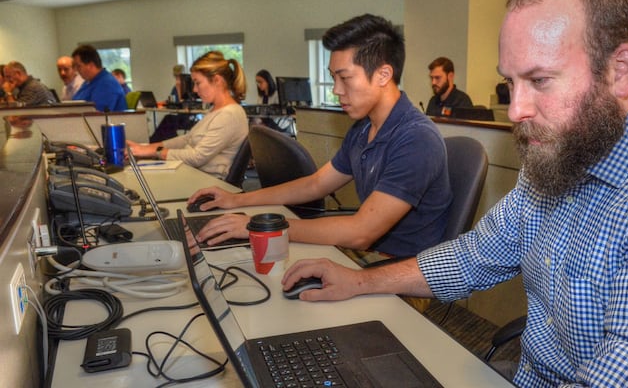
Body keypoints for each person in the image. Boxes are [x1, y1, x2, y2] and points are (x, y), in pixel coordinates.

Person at [280, 0, 628, 387]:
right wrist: (360, 281)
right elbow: (473, 257)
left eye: (539, 80)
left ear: (621, 69)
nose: (516, 109)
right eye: (509, 83)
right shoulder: (563, 153)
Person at [189, 14, 452, 260]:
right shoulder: (363, 127)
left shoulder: (416, 139)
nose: (337, 90)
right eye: (333, 77)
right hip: (366, 256)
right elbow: (315, 184)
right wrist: (236, 199)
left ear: (383, 75)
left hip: (402, 271)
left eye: (345, 78)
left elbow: (360, 233)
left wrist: (257, 225)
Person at [127, 51, 248, 179]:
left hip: (206, 181)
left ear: (217, 80)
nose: (195, 90)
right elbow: (187, 139)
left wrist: (153, 151)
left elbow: (197, 157)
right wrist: (146, 147)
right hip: (195, 175)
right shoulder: (216, 109)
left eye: (198, 83)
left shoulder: (229, 115)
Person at [71, 45, 128, 111]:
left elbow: (97, 115)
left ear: (91, 65)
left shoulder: (107, 84)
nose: (76, 70)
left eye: (78, 66)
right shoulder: (87, 82)